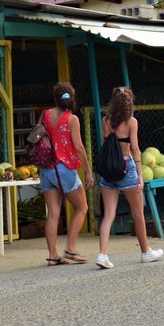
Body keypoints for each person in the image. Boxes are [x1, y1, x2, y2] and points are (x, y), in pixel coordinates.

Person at [96, 87, 163, 268]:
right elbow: (135, 148)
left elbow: (106, 142)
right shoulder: (131, 122)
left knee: (108, 214)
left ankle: (102, 255)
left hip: (108, 170)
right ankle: (145, 252)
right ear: (129, 104)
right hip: (126, 168)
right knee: (138, 214)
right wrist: (140, 174)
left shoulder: (105, 120)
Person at [40, 82, 94, 266]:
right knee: (82, 207)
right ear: (71, 98)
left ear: (55, 98)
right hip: (64, 168)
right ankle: (70, 249)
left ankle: (53, 256)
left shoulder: (45, 114)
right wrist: (88, 171)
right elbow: (78, 147)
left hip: (46, 168)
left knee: (53, 214)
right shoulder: (72, 119)